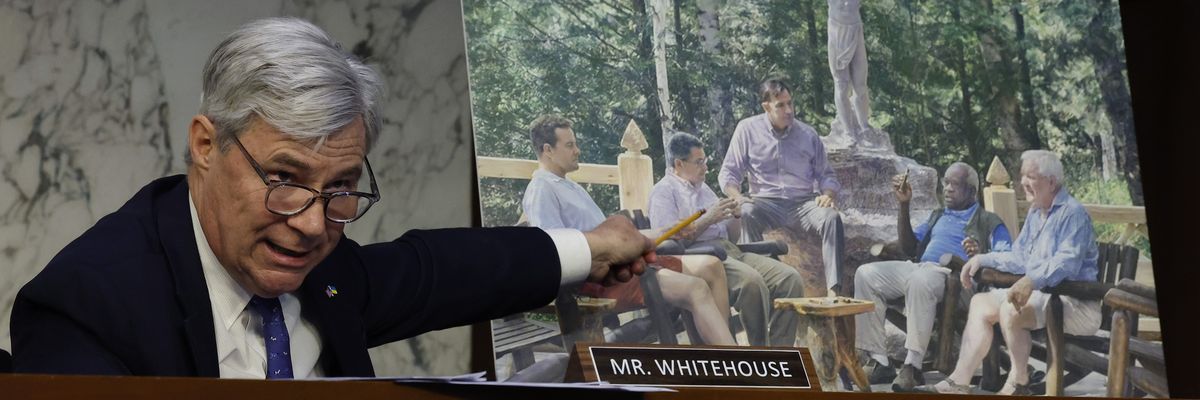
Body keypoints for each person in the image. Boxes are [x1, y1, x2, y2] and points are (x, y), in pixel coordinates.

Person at [10, 18, 655, 378]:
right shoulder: (86, 306)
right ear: (206, 146)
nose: (314, 226)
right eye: (285, 180)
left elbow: (438, 271)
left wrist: (593, 249)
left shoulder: (323, 267)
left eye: (342, 188)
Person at [522, 115, 735, 346]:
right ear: (547, 150)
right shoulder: (542, 189)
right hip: (600, 281)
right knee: (696, 288)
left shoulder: (570, 186)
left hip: (624, 264)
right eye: (570, 145)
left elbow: (614, 240)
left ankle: (717, 353)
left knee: (711, 266)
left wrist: (668, 230)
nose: (577, 150)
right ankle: (728, 362)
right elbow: (556, 252)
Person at [929, 150, 1100, 395]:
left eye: (1030, 176)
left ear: (1051, 182)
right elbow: (1019, 257)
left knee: (1011, 306)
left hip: (1075, 304)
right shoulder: (1036, 212)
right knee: (979, 302)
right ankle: (959, 381)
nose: (1022, 183)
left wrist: (1031, 280)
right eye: (1022, 176)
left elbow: (1067, 263)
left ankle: (1019, 382)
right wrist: (981, 258)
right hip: (1045, 298)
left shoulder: (1072, 213)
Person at [854, 162, 1011, 392]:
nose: (947, 188)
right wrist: (904, 205)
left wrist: (981, 256)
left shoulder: (989, 221)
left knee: (921, 280)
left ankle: (913, 366)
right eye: (945, 183)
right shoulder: (937, 216)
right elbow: (909, 247)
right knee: (865, 274)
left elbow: (1007, 256)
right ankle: (880, 361)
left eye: (954, 184)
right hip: (921, 267)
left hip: (955, 279)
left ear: (971, 191)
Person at [648, 132, 804, 347]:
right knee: (752, 283)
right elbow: (668, 242)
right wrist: (708, 218)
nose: (705, 168)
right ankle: (761, 353)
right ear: (679, 164)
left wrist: (736, 215)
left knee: (790, 278)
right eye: (699, 162)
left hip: (731, 250)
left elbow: (731, 236)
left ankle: (780, 352)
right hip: (703, 257)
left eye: (705, 161)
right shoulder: (664, 192)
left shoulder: (703, 189)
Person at [718, 78, 847, 295]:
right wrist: (737, 197)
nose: (788, 110)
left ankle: (834, 290)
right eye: (780, 105)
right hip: (765, 202)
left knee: (831, 218)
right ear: (766, 107)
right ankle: (760, 286)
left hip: (803, 203)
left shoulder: (808, 134)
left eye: (790, 103)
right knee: (746, 212)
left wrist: (828, 194)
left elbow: (827, 175)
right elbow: (729, 173)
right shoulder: (747, 130)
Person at [827, 0, 872, 138]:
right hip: (837, 31)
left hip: (856, 29)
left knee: (860, 85)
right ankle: (848, 131)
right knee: (841, 85)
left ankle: (864, 126)